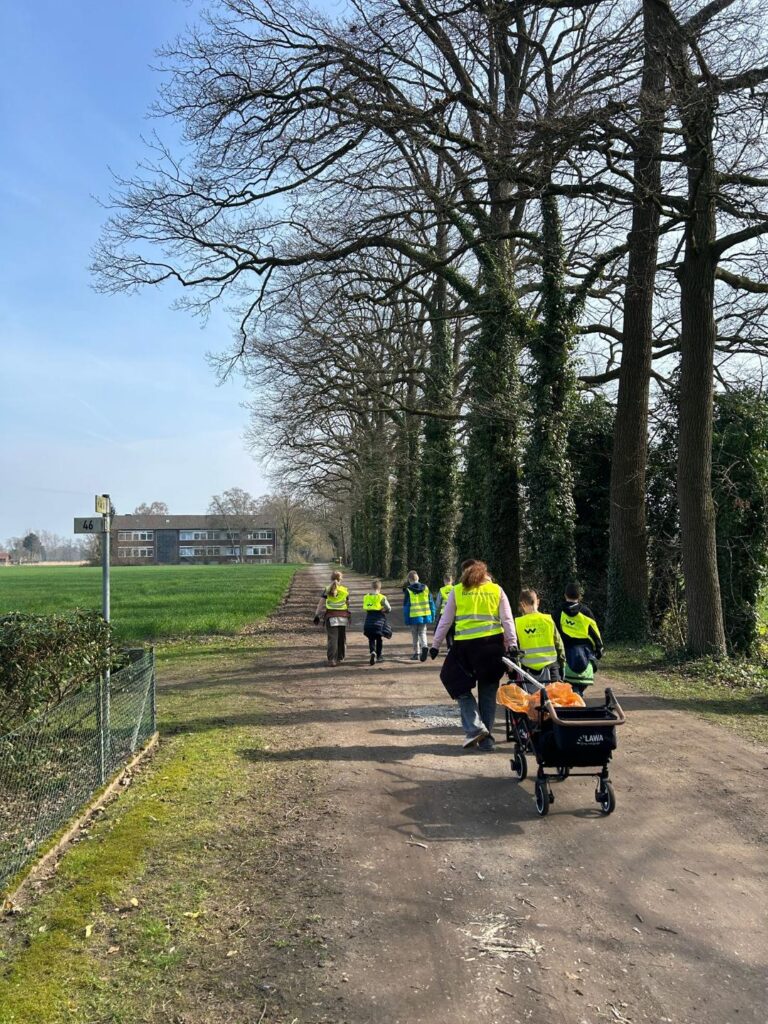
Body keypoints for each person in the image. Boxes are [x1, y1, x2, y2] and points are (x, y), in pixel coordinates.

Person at [429, 560, 518, 750]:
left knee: (453, 680)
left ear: (465, 573)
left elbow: (445, 620)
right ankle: (486, 741)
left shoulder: (457, 591)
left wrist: (435, 645)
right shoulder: (497, 590)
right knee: (488, 691)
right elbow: (507, 619)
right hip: (493, 648)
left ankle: (476, 727)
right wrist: (512, 644)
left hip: (465, 649)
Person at [555, 581, 604, 696]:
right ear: (579, 596)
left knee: (568, 689)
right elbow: (596, 634)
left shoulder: (558, 612)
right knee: (579, 689)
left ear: (565, 595)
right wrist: (599, 650)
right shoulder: (586, 612)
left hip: (565, 660)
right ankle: (578, 696)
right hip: (584, 660)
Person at [514, 588, 566, 686]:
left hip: (527, 670)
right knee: (553, 694)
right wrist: (562, 664)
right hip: (551, 668)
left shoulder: (518, 623)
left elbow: (514, 647)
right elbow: (559, 644)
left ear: (522, 604)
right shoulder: (548, 620)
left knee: (527, 695)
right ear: (537, 602)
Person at [314, 570, 350, 667]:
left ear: (331, 578)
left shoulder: (327, 589)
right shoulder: (345, 590)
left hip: (331, 617)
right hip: (343, 617)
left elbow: (320, 604)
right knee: (342, 638)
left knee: (332, 638)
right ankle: (340, 657)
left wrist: (317, 615)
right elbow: (347, 604)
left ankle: (331, 659)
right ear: (341, 579)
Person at [403, 570, 436, 662]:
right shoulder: (426, 588)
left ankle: (416, 653)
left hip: (413, 616)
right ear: (418, 578)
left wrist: (406, 619)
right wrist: (433, 615)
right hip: (424, 615)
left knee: (414, 635)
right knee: (422, 632)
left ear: (409, 580)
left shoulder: (408, 590)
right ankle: (424, 646)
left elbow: (406, 606)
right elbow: (431, 602)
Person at [362, 579, 392, 665]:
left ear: (371, 587)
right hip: (379, 622)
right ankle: (379, 656)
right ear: (380, 588)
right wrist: (384, 611)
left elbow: (366, 608)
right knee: (379, 639)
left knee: (371, 638)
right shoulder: (381, 597)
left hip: (368, 621)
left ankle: (372, 652)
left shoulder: (366, 597)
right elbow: (389, 608)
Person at [435, 573, 456, 649]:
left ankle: (449, 647)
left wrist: (437, 613)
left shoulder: (442, 590)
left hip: (444, 614)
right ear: (452, 580)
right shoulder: (456, 589)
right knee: (454, 631)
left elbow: (438, 604)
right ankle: (454, 647)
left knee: (447, 632)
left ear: (444, 580)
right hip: (455, 614)